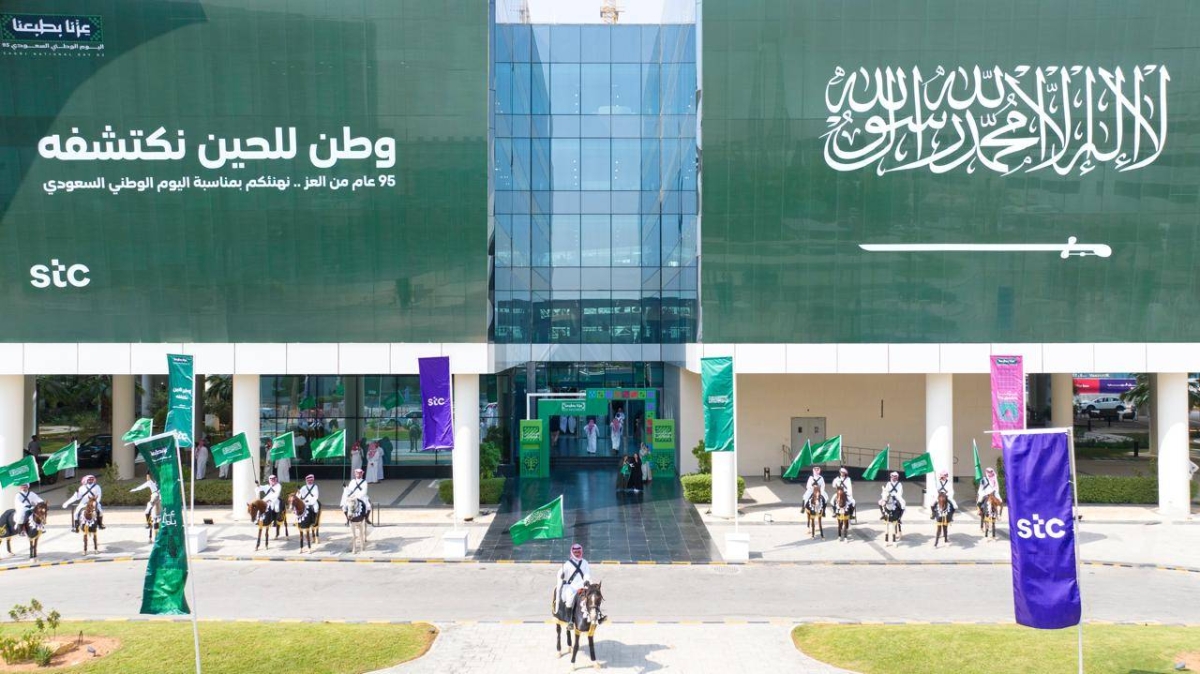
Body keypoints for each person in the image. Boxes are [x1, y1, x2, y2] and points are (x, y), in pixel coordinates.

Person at [555, 543, 592, 620]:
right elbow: (560, 572)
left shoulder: (585, 562)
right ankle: (569, 620)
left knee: (593, 596)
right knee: (569, 598)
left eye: (578, 552)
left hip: (582, 585)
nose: (577, 554)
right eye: (575, 552)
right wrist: (562, 575)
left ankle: (596, 616)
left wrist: (587, 580)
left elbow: (587, 573)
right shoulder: (567, 564)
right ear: (572, 552)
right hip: (571, 586)